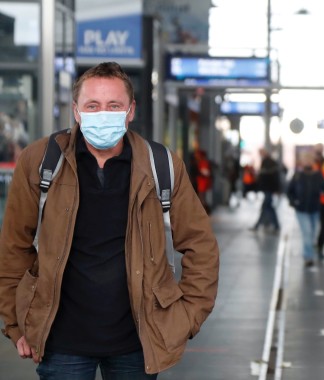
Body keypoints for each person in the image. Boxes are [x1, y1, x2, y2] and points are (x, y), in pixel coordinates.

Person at [0, 62, 220, 379]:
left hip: (138, 342)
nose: (103, 114)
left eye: (113, 105)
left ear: (130, 111)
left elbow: (202, 247)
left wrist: (186, 317)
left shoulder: (161, 165)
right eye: (93, 105)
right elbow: (13, 247)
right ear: (76, 111)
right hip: (61, 342)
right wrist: (15, 322)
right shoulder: (41, 161)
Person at [287, 151, 324, 267]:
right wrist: (293, 202)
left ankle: (309, 253)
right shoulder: (297, 175)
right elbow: (289, 190)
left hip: (315, 208)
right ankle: (308, 257)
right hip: (301, 209)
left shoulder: (318, 175)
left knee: (312, 233)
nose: (307, 162)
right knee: (307, 232)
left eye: (309, 160)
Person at [251, 147, 281, 232]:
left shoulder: (270, 162)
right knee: (268, 207)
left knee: (266, 207)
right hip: (268, 188)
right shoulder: (266, 162)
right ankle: (274, 225)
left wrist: (277, 189)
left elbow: (273, 177)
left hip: (269, 188)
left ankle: (258, 225)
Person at [190, 147, 213, 215]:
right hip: (200, 183)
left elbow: (205, 172)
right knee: (201, 197)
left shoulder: (203, 163)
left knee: (201, 197)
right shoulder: (200, 162)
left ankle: (204, 211)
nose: (197, 156)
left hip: (202, 183)